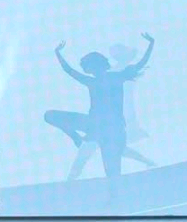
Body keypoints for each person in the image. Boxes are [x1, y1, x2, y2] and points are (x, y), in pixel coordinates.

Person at [44, 33, 155, 178]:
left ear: (98, 66)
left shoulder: (114, 77)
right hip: (95, 125)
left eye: (90, 68)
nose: (90, 72)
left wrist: (151, 43)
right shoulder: (96, 80)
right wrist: (57, 53)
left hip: (112, 130)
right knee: (50, 116)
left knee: (112, 173)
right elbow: (69, 71)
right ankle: (77, 139)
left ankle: (114, 181)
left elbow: (141, 63)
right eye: (88, 69)